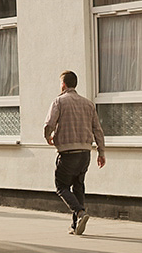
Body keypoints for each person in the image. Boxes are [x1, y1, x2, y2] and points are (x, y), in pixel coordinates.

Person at [44, 70, 106, 235]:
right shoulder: (88, 104)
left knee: (61, 186)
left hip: (68, 153)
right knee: (78, 186)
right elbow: (97, 130)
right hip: (85, 153)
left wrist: (48, 136)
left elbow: (49, 124)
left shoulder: (59, 101)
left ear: (63, 84)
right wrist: (101, 152)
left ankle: (80, 213)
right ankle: (75, 225)